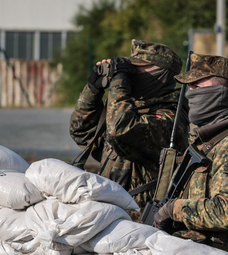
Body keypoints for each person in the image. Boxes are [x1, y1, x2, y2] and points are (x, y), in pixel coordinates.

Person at [153, 53, 228, 255]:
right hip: (185, 254)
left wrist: (172, 209)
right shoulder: (204, 141)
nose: (190, 94)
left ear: (220, 93)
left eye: (197, 86)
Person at [69, 39, 185, 212]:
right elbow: (82, 132)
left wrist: (119, 82)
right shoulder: (128, 109)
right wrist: (93, 89)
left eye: (138, 68)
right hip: (111, 213)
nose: (132, 73)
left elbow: (120, 129)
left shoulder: (170, 119)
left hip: (140, 220)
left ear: (161, 75)